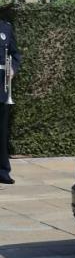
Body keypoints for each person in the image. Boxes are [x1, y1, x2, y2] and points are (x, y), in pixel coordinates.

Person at [0, 18, 18, 185]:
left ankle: (3, 171)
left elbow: (15, 54)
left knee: (2, 133)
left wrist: (12, 68)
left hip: (1, 89)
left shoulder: (6, 28)